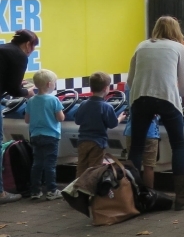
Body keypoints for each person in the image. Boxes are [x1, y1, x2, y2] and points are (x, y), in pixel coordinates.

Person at [127, 16, 184, 210]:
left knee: (137, 147)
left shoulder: (141, 46)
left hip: (140, 98)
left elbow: (131, 80)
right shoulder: (179, 48)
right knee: (178, 146)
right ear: (176, 31)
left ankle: (133, 196)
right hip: (167, 98)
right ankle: (181, 198)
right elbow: (183, 85)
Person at [0, 29, 38, 204]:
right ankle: (1, 192)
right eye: (33, 47)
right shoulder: (20, 56)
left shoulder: (3, 49)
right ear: (28, 44)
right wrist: (27, 91)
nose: (32, 51)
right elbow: (15, 90)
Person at [25, 69, 65, 200]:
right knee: (50, 164)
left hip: (35, 135)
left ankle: (35, 191)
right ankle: (52, 190)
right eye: (54, 82)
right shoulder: (54, 100)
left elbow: (27, 120)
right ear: (49, 84)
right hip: (51, 136)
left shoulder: (31, 101)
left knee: (37, 164)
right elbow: (60, 118)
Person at [74, 72, 121, 178]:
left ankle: (78, 190)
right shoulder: (106, 107)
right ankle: (91, 191)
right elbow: (112, 124)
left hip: (82, 141)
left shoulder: (83, 104)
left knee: (81, 167)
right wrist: (121, 118)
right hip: (98, 143)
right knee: (95, 169)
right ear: (105, 88)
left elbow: (77, 120)